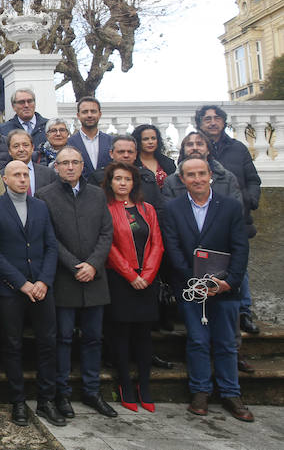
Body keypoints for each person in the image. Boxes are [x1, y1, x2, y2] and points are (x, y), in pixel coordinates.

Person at [162, 157, 253, 422]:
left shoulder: (231, 207)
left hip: (225, 289)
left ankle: (230, 393)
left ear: (210, 174)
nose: (197, 179)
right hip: (191, 290)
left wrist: (229, 282)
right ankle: (200, 391)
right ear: (182, 179)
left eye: (202, 173)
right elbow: (174, 249)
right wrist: (197, 282)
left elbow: (240, 248)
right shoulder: (173, 209)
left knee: (226, 343)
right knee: (198, 341)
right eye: (191, 175)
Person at [35, 146, 116, 419]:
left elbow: (107, 232)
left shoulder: (97, 194)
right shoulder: (45, 196)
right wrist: (73, 265)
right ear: (55, 167)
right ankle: (63, 393)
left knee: (94, 338)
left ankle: (93, 392)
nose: (70, 167)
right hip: (63, 277)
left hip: (95, 277)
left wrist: (93, 264)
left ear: (83, 165)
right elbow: (48, 238)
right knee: (63, 339)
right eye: (64, 163)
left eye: (75, 162)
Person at [0, 160, 63, 428]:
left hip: (41, 288)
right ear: (4, 179)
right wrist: (21, 284)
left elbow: (51, 246)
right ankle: (17, 401)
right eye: (15, 175)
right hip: (11, 289)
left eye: (25, 174)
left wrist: (43, 281)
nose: (21, 179)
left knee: (47, 343)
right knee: (13, 345)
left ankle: (46, 399)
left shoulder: (40, 206)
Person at [102, 161, 165, 413]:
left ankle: (145, 385)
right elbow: (109, 246)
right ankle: (125, 384)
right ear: (111, 182)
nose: (122, 183)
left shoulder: (147, 208)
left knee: (143, 335)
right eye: (118, 179)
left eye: (127, 179)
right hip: (120, 279)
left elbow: (157, 244)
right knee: (121, 334)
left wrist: (147, 275)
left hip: (146, 280)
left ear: (133, 183)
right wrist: (130, 275)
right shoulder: (106, 209)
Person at [196, 104, 261, 334]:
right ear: (200, 123)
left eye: (216, 118)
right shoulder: (197, 148)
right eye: (207, 119)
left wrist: (249, 200)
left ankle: (244, 312)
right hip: (207, 222)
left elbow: (253, 179)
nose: (212, 122)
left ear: (223, 121)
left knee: (239, 267)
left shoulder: (238, 148)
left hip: (237, 219)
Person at [88, 135, 165, 216]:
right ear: (111, 154)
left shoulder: (147, 176)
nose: (126, 155)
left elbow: (158, 207)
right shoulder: (98, 177)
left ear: (135, 154)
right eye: (121, 152)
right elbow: (92, 209)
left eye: (130, 152)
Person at [66, 97, 112, 179]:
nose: (89, 115)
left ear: (100, 114)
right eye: (85, 112)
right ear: (78, 115)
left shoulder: (111, 141)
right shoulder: (69, 143)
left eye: (93, 111)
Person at [5, 129, 57, 194]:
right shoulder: (1, 176)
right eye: (16, 146)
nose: (21, 149)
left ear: (32, 148)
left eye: (25, 145)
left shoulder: (48, 174)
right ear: (9, 151)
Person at [132, 124, 176, 189]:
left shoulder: (167, 162)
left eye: (153, 138)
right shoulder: (133, 163)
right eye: (145, 139)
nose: (150, 142)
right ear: (138, 141)